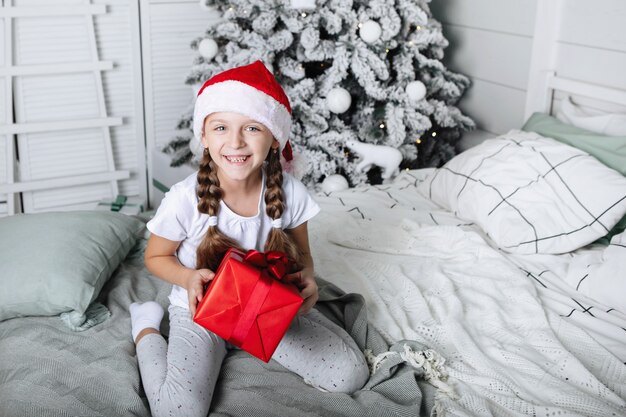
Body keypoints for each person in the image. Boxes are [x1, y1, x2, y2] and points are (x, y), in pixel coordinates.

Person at [129, 61, 369, 417]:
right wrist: (188, 277)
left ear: (274, 139)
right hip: (200, 313)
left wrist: (307, 281)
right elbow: (156, 257)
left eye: (252, 128)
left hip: (263, 307)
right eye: (221, 127)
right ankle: (145, 325)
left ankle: (245, 341)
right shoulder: (183, 199)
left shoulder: (289, 192)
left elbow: (302, 253)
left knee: (351, 374)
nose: (236, 142)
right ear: (205, 137)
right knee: (177, 412)